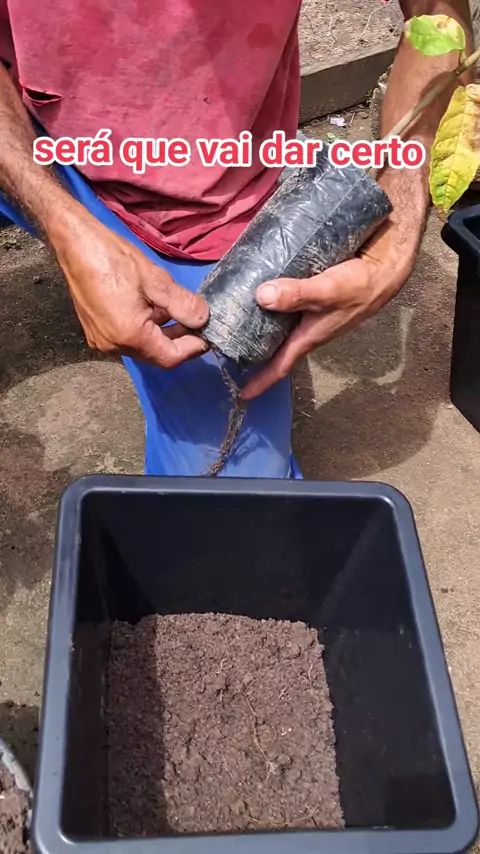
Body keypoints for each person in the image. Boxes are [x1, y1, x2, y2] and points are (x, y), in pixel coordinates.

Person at [0, 0, 473, 478]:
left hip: (197, 190)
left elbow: (437, 13)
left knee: (236, 490)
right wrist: (64, 225)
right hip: (20, 116)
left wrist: (399, 223)